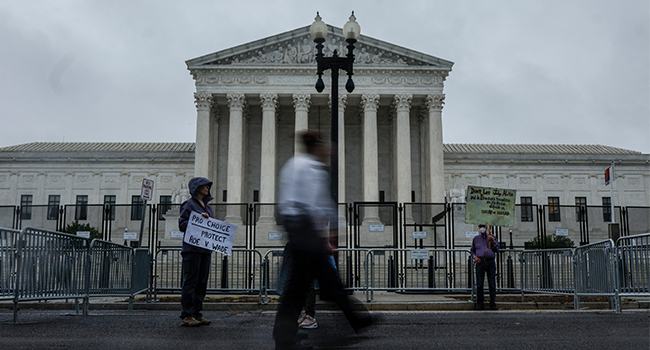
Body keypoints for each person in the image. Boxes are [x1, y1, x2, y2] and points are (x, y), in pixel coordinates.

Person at [273, 131, 373, 350]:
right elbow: (320, 205)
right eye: (325, 149)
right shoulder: (312, 169)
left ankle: (285, 336)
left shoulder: (292, 164)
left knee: (300, 286)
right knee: (320, 281)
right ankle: (356, 319)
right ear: (317, 148)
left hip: (295, 226)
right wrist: (329, 235)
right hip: (305, 227)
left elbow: (288, 202)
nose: (328, 153)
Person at [178, 177, 214, 326]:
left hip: (205, 249)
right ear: (196, 188)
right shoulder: (189, 204)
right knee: (190, 282)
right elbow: (182, 224)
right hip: (192, 249)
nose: (207, 188)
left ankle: (197, 313)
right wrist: (198, 218)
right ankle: (186, 315)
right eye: (204, 186)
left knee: (201, 283)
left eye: (208, 186)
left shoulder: (207, 206)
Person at [470, 224, 499, 310]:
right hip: (481, 262)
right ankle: (480, 304)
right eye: (480, 227)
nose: (482, 228)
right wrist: (475, 257)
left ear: (487, 227)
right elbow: (472, 250)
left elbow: (497, 249)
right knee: (479, 284)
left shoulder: (492, 237)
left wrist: (493, 241)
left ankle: (492, 303)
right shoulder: (476, 239)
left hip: (490, 262)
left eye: (483, 226)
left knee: (492, 284)